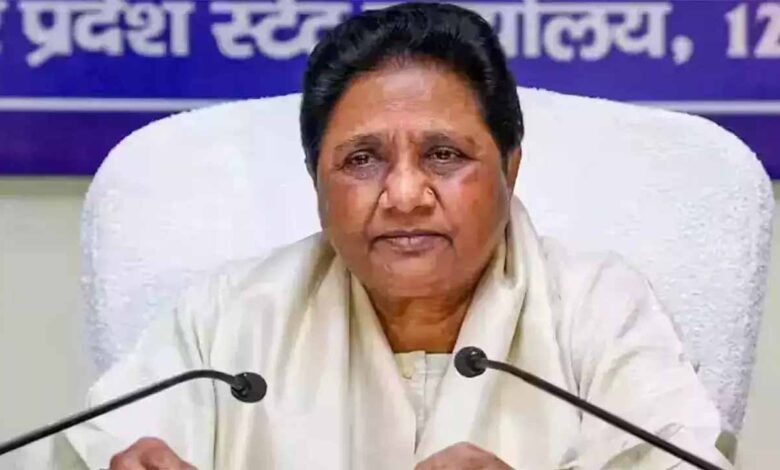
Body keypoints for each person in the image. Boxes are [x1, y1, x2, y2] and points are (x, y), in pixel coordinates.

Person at [51, 3, 730, 469]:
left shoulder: (597, 307)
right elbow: (97, 449)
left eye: (444, 155)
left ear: (510, 168)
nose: (404, 195)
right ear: (315, 179)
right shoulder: (227, 320)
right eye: (362, 160)